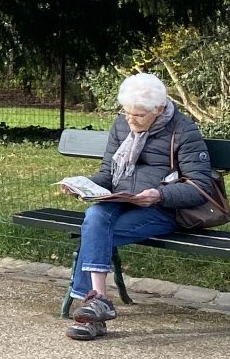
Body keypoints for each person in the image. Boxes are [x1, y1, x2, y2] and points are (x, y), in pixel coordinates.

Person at [62, 72, 221, 342]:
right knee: (95, 214)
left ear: (159, 109)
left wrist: (159, 195)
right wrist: (84, 185)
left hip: (162, 210)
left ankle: (91, 311)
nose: (130, 120)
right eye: (126, 113)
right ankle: (99, 301)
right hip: (121, 201)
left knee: (95, 230)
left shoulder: (184, 131)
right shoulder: (122, 126)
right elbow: (107, 175)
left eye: (138, 115)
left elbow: (201, 187)